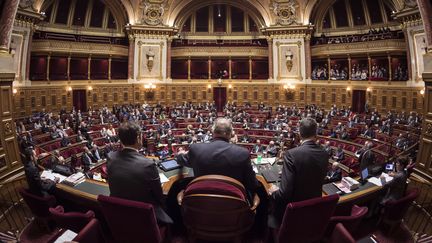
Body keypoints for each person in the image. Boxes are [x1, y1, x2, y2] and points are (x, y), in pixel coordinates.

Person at [176, 118, 260, 201]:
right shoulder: (242, 153)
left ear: (213, 132)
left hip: (202, 202)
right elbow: (252, 184)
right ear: (230, 133)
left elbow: (181, 160)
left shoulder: (196, 149)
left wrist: (180, 155)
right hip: (233, 205)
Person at [107, 122, 172, 224]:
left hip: (119, 215)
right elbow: (159, 196)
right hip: (145, 217)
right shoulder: (147, 164)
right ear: (138, 138)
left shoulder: (110, 157)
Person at [268, 118, 329, 228]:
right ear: (316, 133)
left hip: (293, 212)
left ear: (300, 134)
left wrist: (273, 192)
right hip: (313, 208)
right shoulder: (324, 153)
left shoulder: (292, 154)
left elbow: (284, 194)